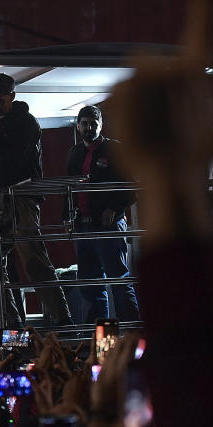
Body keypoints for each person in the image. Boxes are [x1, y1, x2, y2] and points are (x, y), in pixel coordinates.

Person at [0, 73, 73, 328]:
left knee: (33, 259)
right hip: (0, 196)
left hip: (22, 195)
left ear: (12, 96)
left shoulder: (27, 124)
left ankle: (62, 319)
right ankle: (12, 323)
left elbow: (11, 164)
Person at [65, 105, 140, 322]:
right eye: (85, 124)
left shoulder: (115, 150)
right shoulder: (74, 152)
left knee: (119, 281)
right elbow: (68, 187)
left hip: (109, 225)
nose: (89, 128)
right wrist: (66, 215)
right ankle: (99, 338)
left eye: (93, 123)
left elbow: (132, 186)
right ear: (78, 126)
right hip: (83, 225)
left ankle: (133, 336)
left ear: (101, 126)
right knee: (91, 285)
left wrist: (115, 209)